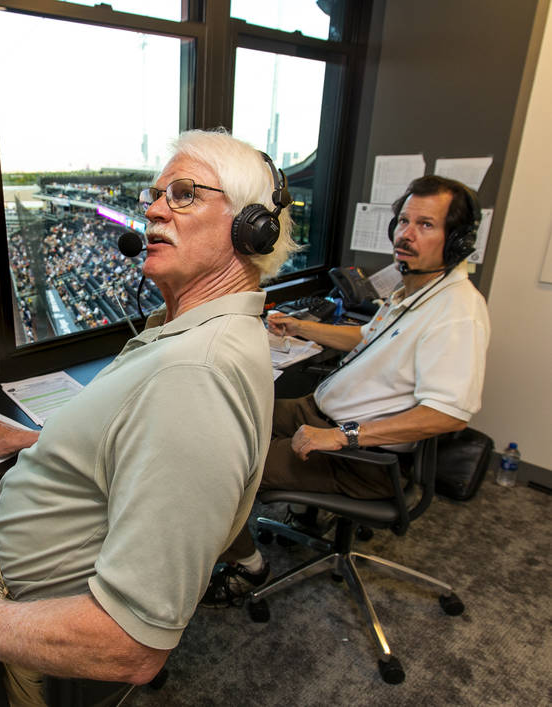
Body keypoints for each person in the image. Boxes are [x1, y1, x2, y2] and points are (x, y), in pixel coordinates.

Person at [0, 129, 297, 706]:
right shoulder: (205, 336)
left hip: (8, 595)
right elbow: (141, 450)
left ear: (250, 226)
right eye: (155, 194)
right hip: (13, 565)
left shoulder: (194, 375)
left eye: (185, 194)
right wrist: (39, 440)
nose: (155, 209)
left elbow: (130, 646)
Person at [203, 174, 490, 606]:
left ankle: (248, 565)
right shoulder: (415, 287)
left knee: (213, 471)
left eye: (426, 225)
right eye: (403, 221)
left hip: (358, 456)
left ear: (457, 241)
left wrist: (342, 436)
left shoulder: (458, 313)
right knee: (219, 418)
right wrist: (301, 326)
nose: (405, 235)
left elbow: (448, 414)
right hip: (316, 410)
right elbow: (368, 337)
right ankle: (291, 510)